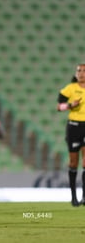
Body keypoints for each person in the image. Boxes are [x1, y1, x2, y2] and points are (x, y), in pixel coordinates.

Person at [57, 63, 85, 207]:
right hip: (74, 127)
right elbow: (59, 106)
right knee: (74, 162)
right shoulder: (70, 88)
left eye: (84, 71)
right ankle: (73, 197)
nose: (81, 73)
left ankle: (84, 196)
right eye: (79, 71)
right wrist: (69, 105)